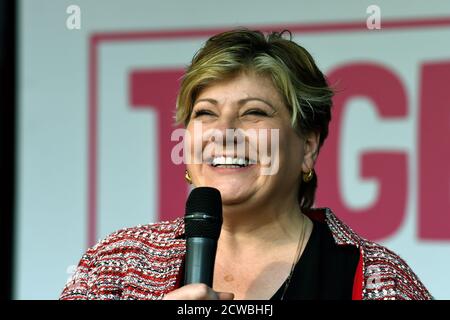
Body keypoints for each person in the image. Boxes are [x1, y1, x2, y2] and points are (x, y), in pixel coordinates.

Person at [60, 29, 432, 300]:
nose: (224, 133)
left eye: (254, 112)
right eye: (205, 113)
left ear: (307, 147)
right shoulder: (115, 266)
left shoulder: (380, 279)